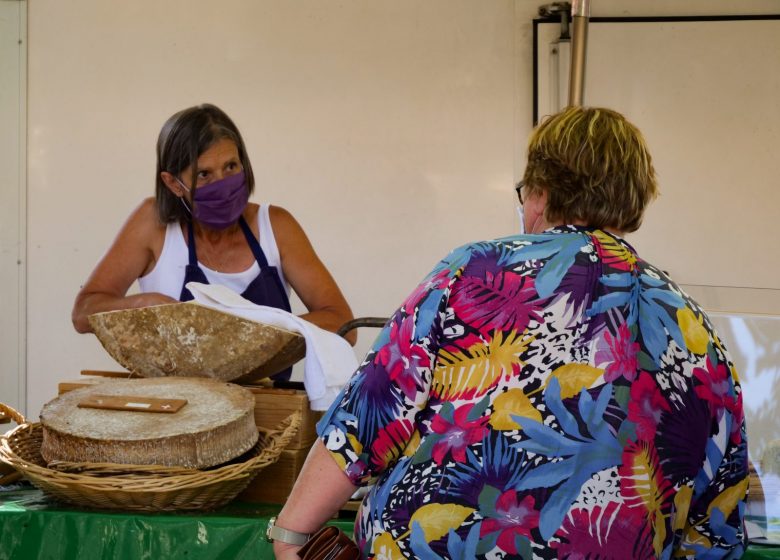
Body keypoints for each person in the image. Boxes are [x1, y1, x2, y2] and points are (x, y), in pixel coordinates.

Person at [270, 106, 748, 558]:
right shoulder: (692, 325)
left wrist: (293, 532)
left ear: (541, 191)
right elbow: (716, 516)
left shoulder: (476, 272)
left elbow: (370, 416)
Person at [72, 104, 356, 375]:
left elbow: (343, 323)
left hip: (270, 405)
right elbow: (84, 314)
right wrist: (144, 304)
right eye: (204, 174)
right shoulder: (153, 225)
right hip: (175, 408)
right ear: (173, 183)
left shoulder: (276, 226)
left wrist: (260, 331)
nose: (222, 183)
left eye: (231, 166)